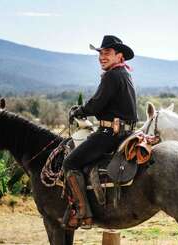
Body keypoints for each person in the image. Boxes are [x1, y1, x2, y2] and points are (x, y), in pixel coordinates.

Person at [62, 35, 137, 229]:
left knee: (70, 162)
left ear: (119, 56)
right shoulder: (125, 74)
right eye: (100, 53)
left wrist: (79, 111)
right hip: (126, 133)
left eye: (107, 53)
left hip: (109, 134)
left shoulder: (112, 75)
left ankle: (83, 213)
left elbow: (96, 104)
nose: (102, 57)